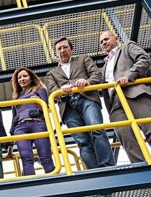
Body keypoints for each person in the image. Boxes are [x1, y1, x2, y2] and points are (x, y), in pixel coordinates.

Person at [43, 37, 115, 169]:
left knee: (96, 130)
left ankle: (108, 167)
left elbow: (96, 75)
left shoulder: (83, 59)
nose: (62, 50)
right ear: (55, 53)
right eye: (59, 48)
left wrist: (87, 82)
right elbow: (52, 90)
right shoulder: (51, 73)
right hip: (68, 106)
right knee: (82, 141)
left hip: (86, 98)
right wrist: (61, 90)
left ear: (71, 49)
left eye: (65, 47)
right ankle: (94, 171)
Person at [99, 30, 151, 163]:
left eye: (106, 39)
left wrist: (129, 75)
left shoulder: (127, 47)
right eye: (102, 42)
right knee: (124, 134)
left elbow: (144, 59)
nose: (104, 43)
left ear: (115, 38)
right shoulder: (104, 66)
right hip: (115, 103)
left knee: (150, 128)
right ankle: (140, 166)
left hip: (134, 92)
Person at [9, 67, 55, 176]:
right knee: (26, 159)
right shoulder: (16, 96)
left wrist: (38, 101)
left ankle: (55, 184)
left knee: (45, 157)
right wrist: (10, 143)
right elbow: (14, 118)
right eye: (19, 77)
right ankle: (31, 187)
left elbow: (45, 106)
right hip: (20, 127)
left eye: (25, 76)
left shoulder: (39, 90)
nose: (22, 79)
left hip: (37, 123)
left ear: (31, 77)